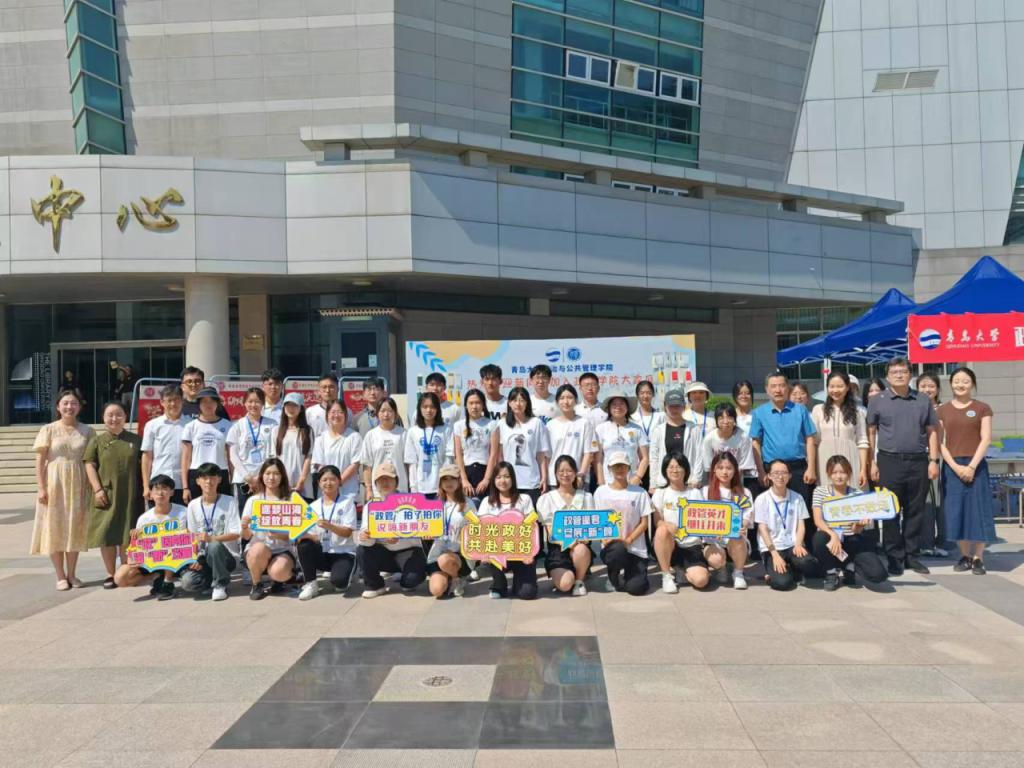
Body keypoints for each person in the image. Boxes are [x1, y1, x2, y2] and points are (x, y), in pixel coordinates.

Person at [866, 357, 940, 576]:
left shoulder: (923, 400)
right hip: (888, 461)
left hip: (918, 461)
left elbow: (932, 431)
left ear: (910, 374)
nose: (899, 375)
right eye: (894, 372)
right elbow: (871, 432)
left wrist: (933, 461)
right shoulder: (878, 400)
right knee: (889, 510)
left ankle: (911, 556)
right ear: (887, 376)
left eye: (903, 371)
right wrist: (871, 462)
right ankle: (894, 557)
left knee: (915, 510)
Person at [31, 389, 94, 590]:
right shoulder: (48, 430)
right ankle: (60, 576)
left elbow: (92, 460)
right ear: (58, 407)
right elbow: (40, 461)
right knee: (55, 528)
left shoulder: (88, 431)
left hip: (78, 483)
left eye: (73, 403)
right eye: (65, 403)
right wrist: (41, 487)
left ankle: (72, 574)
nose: (69, 407)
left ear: (79, 407)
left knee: (74, 528)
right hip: (54, 483)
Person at [937, 367, 995, 575]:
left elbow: (986, 439)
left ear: (973, 384)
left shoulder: (982, 408)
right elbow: (939, 442)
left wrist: (971, 466)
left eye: (965, 381)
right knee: (957, 511)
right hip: (952, 466)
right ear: (951, 384)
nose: (960, 385)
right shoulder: (942, 410)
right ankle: (964, 555)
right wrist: (955, 466)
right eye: (957, 381)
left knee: (978, 510)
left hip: (976, 465)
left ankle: (978, 557)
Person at [85, 401, 144, 589]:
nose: (114, 418)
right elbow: (89, 465)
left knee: (128, 531)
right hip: (107, 494)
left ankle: (126, 571)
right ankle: (110, 574)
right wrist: (97, 489)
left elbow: (144, 464)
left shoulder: (136, 440)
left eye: (119, 414)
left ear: (126, 417)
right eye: (109, 415)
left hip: (131, 492)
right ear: (103, 418)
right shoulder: (97, 441)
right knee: (108, 533)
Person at [811, 455, 888, 591]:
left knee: (878, 575)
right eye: (834, 472)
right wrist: (833, 535)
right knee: (819, 538)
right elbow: (818, 520)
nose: (839, 476)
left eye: (842, 472)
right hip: (829, 540)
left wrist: (860, 524)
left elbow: (855, 530)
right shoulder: (820, 491)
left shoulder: (857, 494)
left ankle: (849, 566)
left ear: (849, 473)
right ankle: (831, 572)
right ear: (828, 474)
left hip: (850, 540)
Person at [652, 452, 725, 593]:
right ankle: (666, 575)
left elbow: (704, 520)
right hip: (671, 544)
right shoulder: (660, 493)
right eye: (670, 467)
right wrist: (667, 525)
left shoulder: (695, 493)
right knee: (661, 530)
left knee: (701, 581)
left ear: (685, 469)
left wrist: (716, 531)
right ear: (665, 470)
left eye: (679, 466)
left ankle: (682, 572)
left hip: (693, 545)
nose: (675, 470)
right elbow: (657, 521)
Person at [749, 372, 817, 518]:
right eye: (773, 386)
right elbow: (756, 442)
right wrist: (761, 471)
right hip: (772, 469)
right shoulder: (759, 413)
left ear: (787, 388)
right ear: (767, 389)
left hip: (798, 468)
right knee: (773, 510)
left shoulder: (800, 410)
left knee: (802, 509)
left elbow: (810, 438)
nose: (778, 390)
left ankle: (802, 534)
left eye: (781, 385)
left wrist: (811, 468)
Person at [111, 474, 187, 599]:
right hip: (151, 558)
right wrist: (133, 556)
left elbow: (185, 538)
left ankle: (167, 582)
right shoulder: (144, 518)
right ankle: (155, 577)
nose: (160, 493)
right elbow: (138, 544)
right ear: (150, 493)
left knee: (171, 541)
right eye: (156, 489)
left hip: (176, 557)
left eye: (165, 488)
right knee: (120, 578)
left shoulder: (183, 512)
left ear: (172, 492)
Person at [358, 463, 427, 598]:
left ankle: (407, 574)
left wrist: (399, 537)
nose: (385, 482)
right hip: (384, 552)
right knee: (362, 549)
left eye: (388, 479)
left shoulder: (411, 502)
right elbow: (366, 536)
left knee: (410, 582)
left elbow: (420, 534)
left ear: (396, 482)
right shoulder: (371, 505)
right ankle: (375, 585)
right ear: (376, 484)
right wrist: (365, 536)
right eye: (381, 480)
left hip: (409, 552)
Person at [690, 451, 754, 590]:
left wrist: (741, 526)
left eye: (729, 468)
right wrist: (712, 530)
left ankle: (738, 573)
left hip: (736, 542)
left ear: (735, 470)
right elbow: (698, 519)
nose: (725, 472)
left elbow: (747, 518)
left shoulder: (744, 493)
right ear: (714, 469)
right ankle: (722, 567)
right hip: (713, 541)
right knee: (716, 560)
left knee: (736, 536)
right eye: (720, 468)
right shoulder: (704, 492)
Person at [477, 461, 539, 600]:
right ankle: (499, 585)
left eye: (506, 476)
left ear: (513, 479)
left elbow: (532, 528)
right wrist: (483, 552)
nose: (503, 481)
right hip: (498, 552)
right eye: (498, 477)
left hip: (521, 552)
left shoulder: (525, 499)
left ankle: (519, 582)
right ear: (493, 480)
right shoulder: (487, 502)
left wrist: (530, 552)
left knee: (527, 593)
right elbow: (482, 531)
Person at [753, 459, 818, 591]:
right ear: (769, 476)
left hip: (792, 545)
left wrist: (798, 544)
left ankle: (791, 568)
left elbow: (801, 525)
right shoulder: (762, 499)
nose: (780, 476)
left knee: (810, 564)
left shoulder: (797, 497)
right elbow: (762, 528)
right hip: (772, 548)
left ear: (790, 476)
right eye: (776, 473)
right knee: (783, 583)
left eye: (784, 473)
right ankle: (771, 574)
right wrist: (774, 554)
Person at [181, 462, 241, 601]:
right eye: (204, 477)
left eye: (213, 477)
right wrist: (194, 559)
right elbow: (192, 536)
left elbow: (236, 533)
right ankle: (211, 580)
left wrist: (211, 538)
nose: (209, 481)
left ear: (219, 479)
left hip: (227, 557)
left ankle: (220, 584)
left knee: (214, 545)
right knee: (188, 582)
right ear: (198, 481)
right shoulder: (193, 505)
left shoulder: (229, 501)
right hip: (204, 557)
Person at [297, 465, 358, 600]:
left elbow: (347, 533)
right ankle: (311, 584)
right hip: (322, 552)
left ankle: (351, 569)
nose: (328, 483)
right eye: (324, 480)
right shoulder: (313, 506)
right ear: (319, 483)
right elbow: (313, 535)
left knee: (339, 584)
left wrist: (329, 526)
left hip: (343, 552)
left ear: (339, 482)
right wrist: (303, 536)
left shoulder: (347, 503)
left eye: (333, 479)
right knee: (304, 545)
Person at [595, 452, 652, 595]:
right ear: (609, 468)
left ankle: (632, 575)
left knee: (636, 588)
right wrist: (604, 539)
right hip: (612, 547)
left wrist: (629, 540)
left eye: (623, 466)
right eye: (616, 466)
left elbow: (644, 523)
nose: (620, 469)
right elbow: (596, 520)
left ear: (629, 468)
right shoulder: (601, 492)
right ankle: (613, 576)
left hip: (635, 547)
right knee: (618, 551)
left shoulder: (640, 493)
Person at [537, 455, 595, 596]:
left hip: (579, 545)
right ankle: (568, 574)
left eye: (569, 471)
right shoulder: (547, 498)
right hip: (558, 548)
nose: (565, 474)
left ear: (575, 473)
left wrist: (584, 539)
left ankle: (579, 580)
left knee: (581, 550)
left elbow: (591, 528)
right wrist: (567, 542)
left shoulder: (586, 497)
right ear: (555, 474)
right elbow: (550, 533)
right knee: (565, 585)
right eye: (561, 471)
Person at [240, 458, 297, 600]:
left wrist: (279, 535)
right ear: (261, 476)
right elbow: (246, 536)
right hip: (258, 549)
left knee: (279, 571)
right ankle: (257, 584)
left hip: (282, 549)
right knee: (258, 548)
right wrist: (244, 527)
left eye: (276, 474)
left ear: (282, 476)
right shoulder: (253, 501)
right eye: (267, 473)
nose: (271, 477)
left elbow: (297, 534)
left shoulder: (290, 500)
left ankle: (279, 581)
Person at [811, 371, 869, 488]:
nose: (835, 390)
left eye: (840, 386)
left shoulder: (857, 412)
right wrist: (812, 467)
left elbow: (862, 441)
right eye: (832, 386)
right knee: (827, 494)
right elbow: (814, 441)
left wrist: (863, 469)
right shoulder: (818, 410)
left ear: (847, 387)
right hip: (824, 459)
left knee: (852, 494)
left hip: (850, 458)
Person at [226, 387, 277, 512]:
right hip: (242, 480)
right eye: (250, 401)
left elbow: (274, 453)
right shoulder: (237, 425)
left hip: (265, 479)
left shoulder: (272, 424)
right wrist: (248, 477)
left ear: (263, 403)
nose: (253, 405)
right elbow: (233, 455)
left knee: (264, 514)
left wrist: (260, 477)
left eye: (257, 401)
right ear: (244, 403)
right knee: (244, 514)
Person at [498, 387, 550, 504]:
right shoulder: (502, 424)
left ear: (527, 403)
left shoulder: (536, 423)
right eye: (514, 400)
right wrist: (501, 477)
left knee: (531, 515)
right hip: (509, 482)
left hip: (531, 481)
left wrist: (544, 477)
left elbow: (541, 455)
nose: (518, 404)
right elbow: (499, 455)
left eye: (522, 400)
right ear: (509, 403)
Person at [427, 465, 473, 598]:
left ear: (459, 481)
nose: (449, 483)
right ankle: (446, 577)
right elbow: (426, 528)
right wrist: (427, 535)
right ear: (440, 483)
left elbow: (475, 530)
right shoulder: (434, 505)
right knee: (437, 590)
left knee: (445, 559)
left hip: (459, 556)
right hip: (437, 553)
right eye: (445, 479)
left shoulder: (467, 504)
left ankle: (457, 578)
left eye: (452, 479)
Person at [180, 387, 232, 502]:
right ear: (198, 404)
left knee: (222, 508)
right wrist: (185, 487)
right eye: (204, 401)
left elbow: (230, 456)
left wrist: (232, 479)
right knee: (197, 509)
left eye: (212, 401)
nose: (208, 405)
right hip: (197, 474)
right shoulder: (190, 426)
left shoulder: (228, 425)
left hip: (220, 473)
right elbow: (185, 459)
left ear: (217, 403)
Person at [916, 372, 948, 557]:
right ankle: (926, 542)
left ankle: (943, 541)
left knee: (940, 502)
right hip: (919, 457)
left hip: (940, 458)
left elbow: (942, 437)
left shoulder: (944, 409)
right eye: (923, 386)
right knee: (925, 503)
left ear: (938, 389)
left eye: (931, 386)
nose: (927, 389)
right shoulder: (914, 407)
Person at [141, 384, 185, 505]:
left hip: (183, 485)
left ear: (182, 401)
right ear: (162, 402)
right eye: (169, 400)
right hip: (158, 485)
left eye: (176, 399)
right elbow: (147, 457)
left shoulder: (191, 424)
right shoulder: (152, 425)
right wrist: (146, 486)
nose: (173, 404)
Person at [311, 399, 363, 502]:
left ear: (346, 415)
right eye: (333, 412)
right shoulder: (321, 438)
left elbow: (355, 464)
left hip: (348, 492)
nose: (336, 415)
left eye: (340, 412)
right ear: (327, 415)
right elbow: (319, 464)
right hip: (325, 492)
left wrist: (338, 482)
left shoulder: (354, 437)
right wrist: (329, 483)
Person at [545, 384, 597, 489]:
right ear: (557, 402)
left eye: (570, 398)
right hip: (555, 480)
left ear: (576, 400)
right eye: (562, 398)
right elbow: (547, 456)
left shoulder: (584, 423)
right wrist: (546, 476)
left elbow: (589, 453)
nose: (566, 401)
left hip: (578, 480)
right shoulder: (550, 425)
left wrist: (581, 474)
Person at [649, 388, 701, 491]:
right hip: (664, 483)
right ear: (665, 407)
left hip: (688, 482)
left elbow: (699, 456)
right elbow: (654, 458)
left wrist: (697, 479)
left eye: (678, 406)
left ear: (684, 406)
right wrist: (653, 483)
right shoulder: (658, 430)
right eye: (671, 406)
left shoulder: (693, 428)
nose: (674, 409)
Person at [701, 402, 758, 494]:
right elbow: (709, 468)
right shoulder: (709, 439)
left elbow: (743, 466)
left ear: (735, 419)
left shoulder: (744, 437)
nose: (726, 421)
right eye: (721, 418)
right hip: (715, 484)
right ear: (716, 420)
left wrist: (733, 486)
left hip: (736, 484)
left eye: (729, 417)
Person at [453, 388, 499, 501]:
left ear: (483, 405)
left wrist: (486, 479)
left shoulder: (492, 424)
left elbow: (493, 454)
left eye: (477, 403)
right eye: (471, 403)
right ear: (466, 405)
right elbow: (458, 454)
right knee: (468, 508)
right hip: (466, 472)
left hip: (485, 471)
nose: (474, 406)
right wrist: (464, 479)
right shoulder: (458, 425)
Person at [595, 394, 649, 488]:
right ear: (609, 408)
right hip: (608, 482)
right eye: (614, 404)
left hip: (631, 482)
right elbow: (598, 459)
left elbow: (645, 458)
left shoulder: (637, 429)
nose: (618, 407)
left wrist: (638, 477)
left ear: (627, 407)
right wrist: (601, 480)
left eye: (622, 404)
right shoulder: (601, 429)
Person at [360, 396, 409, 497]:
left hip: (400, 488)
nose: (386, 414)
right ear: (377, 414)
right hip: (378, 489)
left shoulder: (403, 434)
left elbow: (408, 463)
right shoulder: (371, 435)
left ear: (395, 414)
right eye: (382, 411)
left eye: (390, 411)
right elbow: (367, 465)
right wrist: (369, 489)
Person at [404, 391, 449, 497]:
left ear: (437, 409)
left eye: (432, 407)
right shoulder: (413, 431)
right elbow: (412, 462)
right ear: (419, 409)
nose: (429, 410)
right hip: (420, 488)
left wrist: (444, 484)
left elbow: (448, 459)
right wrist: (413, 487)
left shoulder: (446, 429)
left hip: (440, 488)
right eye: (425, 407)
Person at [272, 392, 314, 499]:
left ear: (301, 409)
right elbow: (274, 458)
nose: (291, 408)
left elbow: (309, 456)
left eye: (295, 405)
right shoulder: (276, 431)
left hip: (303, 484)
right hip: (282, 482)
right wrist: (282, 480)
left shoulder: (307, 430)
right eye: (288, 405)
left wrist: (302, 480)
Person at [630, 380, 664, 489]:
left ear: (653, 394)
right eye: (642, 393)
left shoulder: (661, 416)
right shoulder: (632, 417)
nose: (645, 396)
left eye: (648, 393)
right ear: (637, 395)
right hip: (638, 464)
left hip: (657, 462)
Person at [304, 373, 338, 438]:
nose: (327, 390)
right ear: (319, 391)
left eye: (331, 387)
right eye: (324, 387)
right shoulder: (310, 412)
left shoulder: (346, 412)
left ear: (338, 389)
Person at [683, 381, 713, 446]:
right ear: (689, 396)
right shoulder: (683, 416)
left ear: (707, 396)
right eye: (694, 393)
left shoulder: (714, 416)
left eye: (701, 392)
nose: (697, 395)